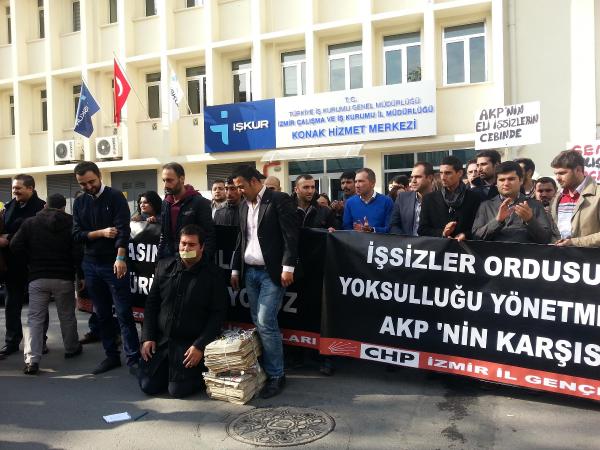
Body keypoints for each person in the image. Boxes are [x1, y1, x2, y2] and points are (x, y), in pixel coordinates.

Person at [230, 165, 298, 399]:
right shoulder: (243, 205)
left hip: (273, 272)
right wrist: (235, 270)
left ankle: (277, 375)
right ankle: (266, 368)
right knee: (258, 322)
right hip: (250, 271)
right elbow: (241, 238)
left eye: (241, 186)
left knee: (265, 321)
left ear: (253, 181)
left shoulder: (278, 199)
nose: (238, 191)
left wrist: (288, 267)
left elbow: (291, 235)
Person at [139, 225, 226, 398]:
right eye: (183, 243)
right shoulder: (164, 266)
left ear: (201, 247)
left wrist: (200, 346)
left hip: (189, 346)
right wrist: (147, 337)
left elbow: (218, 315)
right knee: (148, 386)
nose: (186, 248)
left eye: (191, 245)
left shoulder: (214, 275)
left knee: (177, 390)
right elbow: (151, 304)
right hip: (162, 341)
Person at [72, 161, 140, 375]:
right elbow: (76, 235)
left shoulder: (115, 197)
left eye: (91, 181)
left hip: (113, 263)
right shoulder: (79, 202)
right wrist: (100, 233)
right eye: (83, 184)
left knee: (123, 313)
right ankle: (111, 356)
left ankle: (133, 359)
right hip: (90, 264)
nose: (88, 186)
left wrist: (120, 258)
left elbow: (123, 231)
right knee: (101, 314)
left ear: (100, 176)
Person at [10, 194, 83, 375]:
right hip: (64, 277)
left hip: (37, 276)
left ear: (44, 206)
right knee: (67, 315)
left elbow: (15, 245)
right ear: (63, 207)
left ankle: (32, 360)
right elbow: (78, 251)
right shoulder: (72, 223)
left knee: (35, 319)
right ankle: (71, 348)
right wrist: (79, 275)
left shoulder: (30, 223)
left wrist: (30, 260)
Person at [0, 174, 46, 357]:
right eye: (13, 188)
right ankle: (11, 342)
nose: (14, 191)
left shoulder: (42, 207)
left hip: (34, 264)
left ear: (30, 188)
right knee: (11, 305)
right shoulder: (9, 206)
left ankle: (40, 342)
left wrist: (9, 238)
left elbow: (37, 232)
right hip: (12, 265)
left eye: (18, 188)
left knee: (38, 306)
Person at [471, 161, 552, 244]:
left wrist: (530, 220)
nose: (506, 183)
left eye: (511, 179)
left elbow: (546, 239)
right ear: (496, 183)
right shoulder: (486, 206)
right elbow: (476, 238)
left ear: (521, 180)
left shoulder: (535, 205)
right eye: (502, 180)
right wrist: (497, 221)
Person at [158, 162, 215, 260]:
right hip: (169, 259)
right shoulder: (165, 203)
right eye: (164, 181)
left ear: (181, 179)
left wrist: (202, 261)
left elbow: (208, 236)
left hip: (191, 260)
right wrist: (159, 259)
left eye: (169, 180)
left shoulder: (200, 202)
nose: (165, 185)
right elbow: (163, 235)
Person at [418, 156, 481, 240]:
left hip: (465, 246)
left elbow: (479, 228)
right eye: (441, 173)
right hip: (439, 247)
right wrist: (443, 233)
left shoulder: (474, 198)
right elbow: (422, 230)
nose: (443, 177)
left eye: (448, 173)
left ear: (460, 173)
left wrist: (465, 235)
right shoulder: (429, 199)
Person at [550, 150, 600, 247]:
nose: (557, 178)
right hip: (560, 255)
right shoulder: (556, 197)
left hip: (590, 256)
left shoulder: (598, 194)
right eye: (556, 174)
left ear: (578, 170)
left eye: (562, 173)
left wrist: (574, 242)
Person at [342, 168, 394, 233]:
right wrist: (357, 231)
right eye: (355, 181)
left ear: (372, 183)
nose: (357, 185)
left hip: (380, 239)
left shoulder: (387, 201)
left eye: (360, 181)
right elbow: (346, 229)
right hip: (356, 239)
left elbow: (390, 229)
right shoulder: (350, 203)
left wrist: (372, 230)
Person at [390, 162, 434, 236]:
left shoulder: (440, 200)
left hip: (430, 242)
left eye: (418, 177)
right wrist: (406, 240)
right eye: (412, 177)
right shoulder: (402, 198)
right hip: (406, 242)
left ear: (430, 178)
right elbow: (393, 225)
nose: (413, 181)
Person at [534, 177, 561, 242]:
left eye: (548, 191)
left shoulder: (563, 208)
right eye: (540, 191)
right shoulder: (527, 208)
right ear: (534, 192)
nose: (544, 194)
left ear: (556, 190)